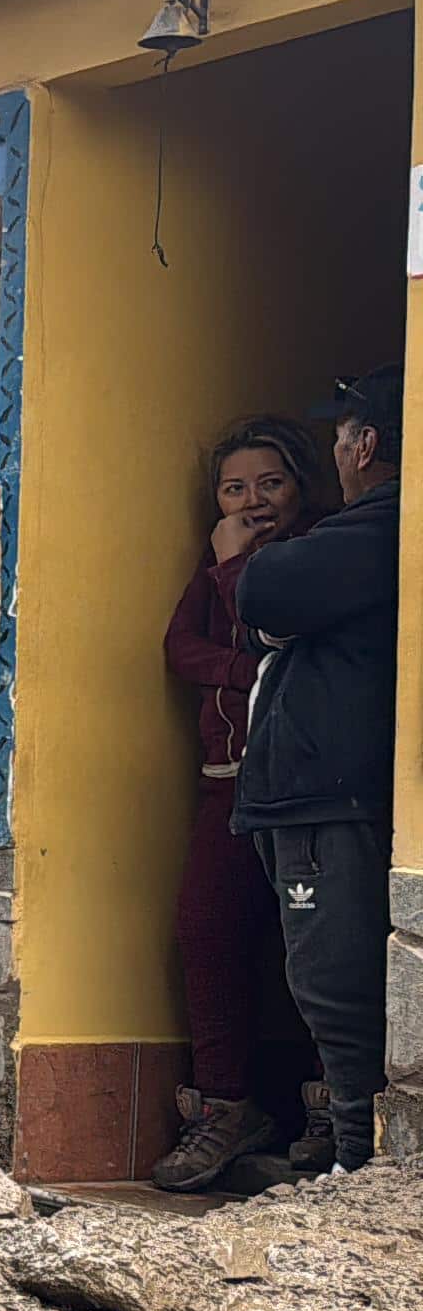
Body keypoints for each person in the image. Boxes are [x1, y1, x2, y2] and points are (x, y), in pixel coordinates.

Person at [152, 414, 334, 1190]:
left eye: (271, 483)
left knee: (318, 946)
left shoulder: (323, 547)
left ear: (302, 487)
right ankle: (225, 1109)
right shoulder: (218, 552)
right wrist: (242, 671)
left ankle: (333, 1114)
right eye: (235, 487)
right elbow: (178, 649)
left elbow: (280, 639)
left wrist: (237, 588)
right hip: (224, 780)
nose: (254, 500)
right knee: (208, 930)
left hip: (305, 789)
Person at [236, 365, 403, 1176]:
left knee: (331, 980)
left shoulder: (379, 526)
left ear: (365, 445)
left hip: (324, 798)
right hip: (329, 797)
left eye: (340, 434)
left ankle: (354, 1167)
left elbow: (264, 592)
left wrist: (246, 562)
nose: (337, 448)